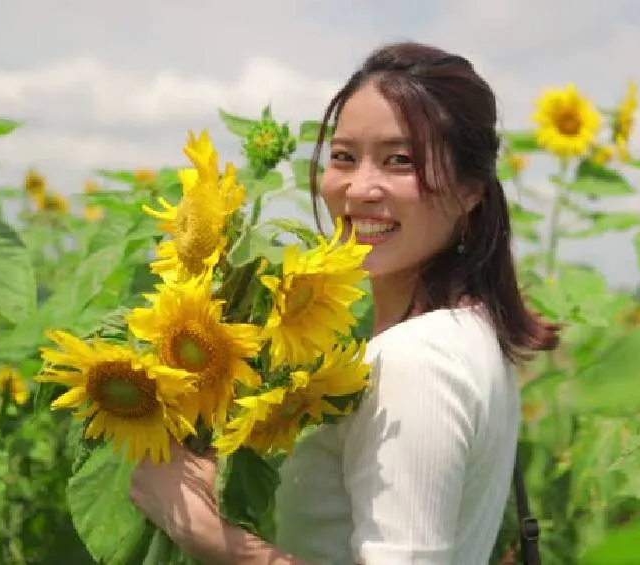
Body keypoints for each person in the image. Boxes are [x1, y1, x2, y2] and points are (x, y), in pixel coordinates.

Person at [129, 40, 560, 565]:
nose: (360, 188)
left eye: (400, 161)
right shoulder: (471, 333)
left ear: (470, 191)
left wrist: (205, 533)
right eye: (344, 157)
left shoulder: (417, 361)